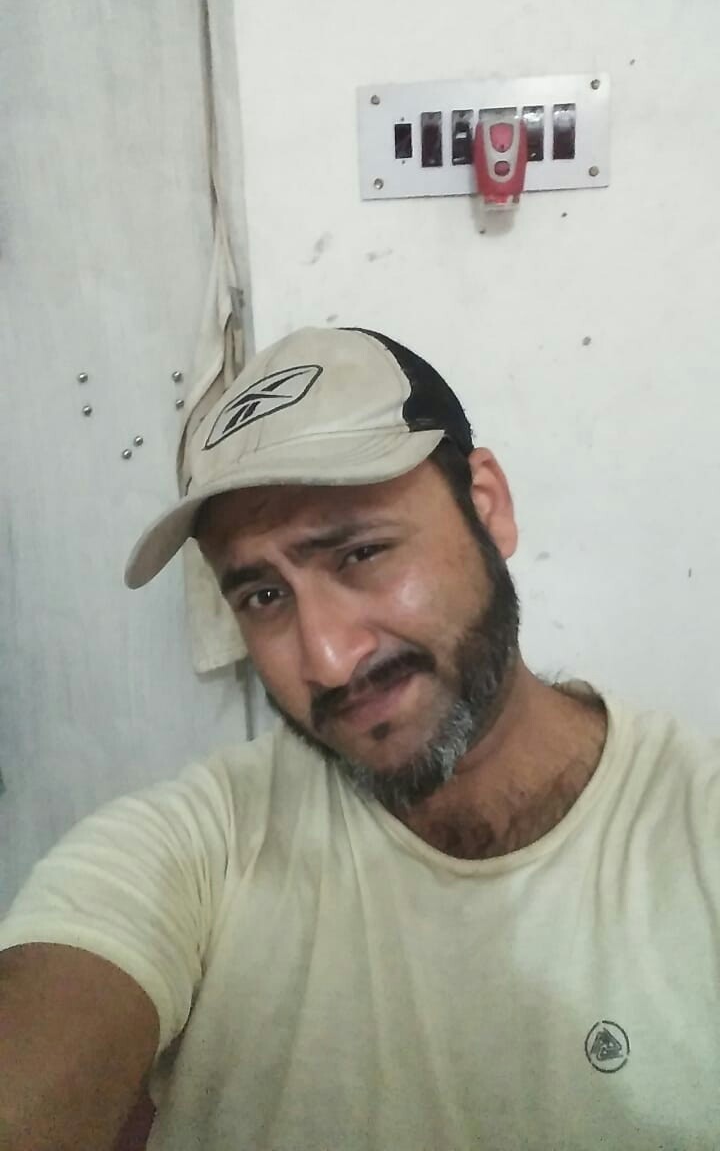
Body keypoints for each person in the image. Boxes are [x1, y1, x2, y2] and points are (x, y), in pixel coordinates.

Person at [1, 325, 719, 1151]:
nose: (328, 660)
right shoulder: (204, 845)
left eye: (361, 552)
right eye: (264, 596)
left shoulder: (697, 830)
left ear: (487, 507)